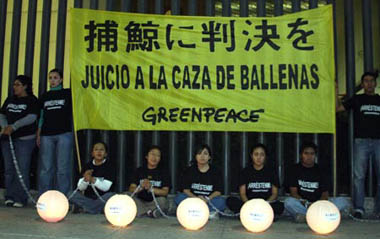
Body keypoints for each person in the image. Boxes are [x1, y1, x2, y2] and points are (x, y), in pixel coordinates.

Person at [336, 71, 380, 219]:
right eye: (366, 81)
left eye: (371, 81)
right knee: (359, 176)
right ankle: (359, 208)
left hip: (378, 142)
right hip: (360, 141)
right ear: (362, 84)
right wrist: (335, 91)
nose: (369, 83)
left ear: (375, 83)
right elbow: (339, 109)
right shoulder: (358, 99)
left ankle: (378, 209)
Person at [284, 141, 349, 223]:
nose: (309, 156)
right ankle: (319, 217)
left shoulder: (322, 170)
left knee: (343, 201)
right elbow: (293, 193)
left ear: (315, 156)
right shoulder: (294, 169)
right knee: (289, 202)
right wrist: (306, 204)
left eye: (312, 154)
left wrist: (318, 205)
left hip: (319, 204)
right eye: (306, 153)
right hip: (304, 204)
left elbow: (325, 194)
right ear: (301, 155)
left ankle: (308, 217)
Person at [0, 75, 39, 207]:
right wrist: (5, 126)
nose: (14, 87)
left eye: (17, 84)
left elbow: (32, 117)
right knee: (9, 169)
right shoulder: (10, 99)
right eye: (14, 84)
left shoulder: (32, 100)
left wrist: (14, 126)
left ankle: (20, 198)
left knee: (22, 169)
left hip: (25, 140)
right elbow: (2, 114)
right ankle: (9, 196)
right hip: (8, 139)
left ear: (25, 86)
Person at [37, 69, 73, 196]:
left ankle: (62, 197)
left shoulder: (67, 93)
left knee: (62, 168)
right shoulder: (44, 96)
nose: (52, 80)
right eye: (50, 78)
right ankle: (44, 196)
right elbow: (41, 116)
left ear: (61, 79)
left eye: (55, 77)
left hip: (64, 133)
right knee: (46, 168)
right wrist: (38, 133)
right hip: (46, 134)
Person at [226, 143, 284, 216]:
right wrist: (249, 205)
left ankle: (249, 214)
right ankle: (259, 214)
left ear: (265, 156)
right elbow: (242, 194)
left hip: (266, 204)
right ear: (251, 156)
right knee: (230, 200)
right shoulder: (245, 172)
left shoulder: (272, 172)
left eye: (262, 155)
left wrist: (265, 204)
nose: (259, 157)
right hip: (249, 203)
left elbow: (274, 194)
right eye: (256, 154)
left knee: (279, 206)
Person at [174, 144, 226, 219]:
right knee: (179, 197)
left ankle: (194, 212)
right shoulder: (189, 170)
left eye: (205, 153)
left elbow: (218, 191)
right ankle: (206, 212)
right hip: (193, 199)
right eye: (199, 153)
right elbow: (186, 190)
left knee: (221, 201)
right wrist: (197, 199)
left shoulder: (216, 171)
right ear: (195, 156)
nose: (202, 156)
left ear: (209, 157)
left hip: (208, 200)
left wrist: (207, 199)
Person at [69, 141, 115, 214]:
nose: (99, 152)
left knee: (112, 196)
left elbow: (106, 187)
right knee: (71, 194)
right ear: (92, 153)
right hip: (88, 198)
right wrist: (85, 180)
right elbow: (80, 188)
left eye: (101, 150)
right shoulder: (87, 166)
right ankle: (96, 209)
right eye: (96, 150)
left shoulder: (109, 166)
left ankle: (88, 208)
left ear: (105, 154)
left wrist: (93, 180)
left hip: (103, 198)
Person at [128, 145, 170, 218]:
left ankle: (141, 213)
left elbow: (165, 192)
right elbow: (131, 189)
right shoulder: (139, 171)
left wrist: (151, 188)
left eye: (158, 156)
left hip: (155, 202)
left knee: (163, 201)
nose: (154, 158)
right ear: (147, 156)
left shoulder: (164, 172)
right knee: (127, 197)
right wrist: (141, 187)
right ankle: (150, 213)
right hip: (140, 201)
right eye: (152, 154)